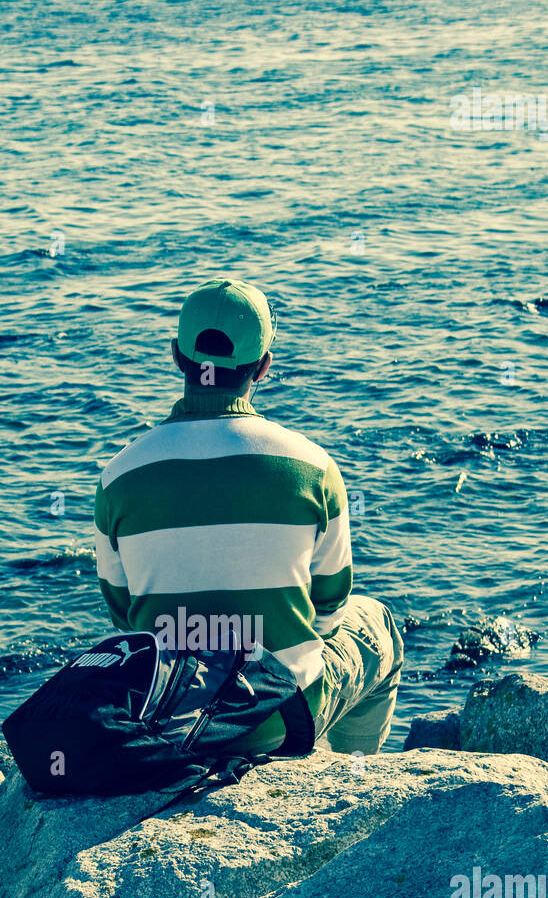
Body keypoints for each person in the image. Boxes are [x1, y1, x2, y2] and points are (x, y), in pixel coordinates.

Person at [93, 277, 403, 756]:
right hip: (276, 719)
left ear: (177, 356)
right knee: (377, 623)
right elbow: (329, 614)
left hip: (173, 718)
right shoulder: (313, 466)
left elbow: (124, 619)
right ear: (262, 367)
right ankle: (347, 772)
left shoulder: (119, 475)